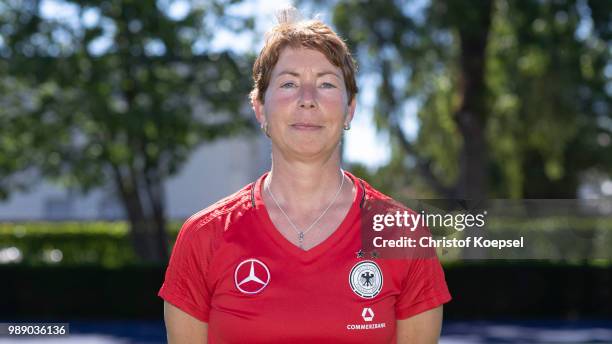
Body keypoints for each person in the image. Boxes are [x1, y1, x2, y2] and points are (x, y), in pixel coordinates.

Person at [159, 8, 451, 343]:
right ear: (259, 108)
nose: (307, 100)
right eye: (289, 83)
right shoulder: (204, 236)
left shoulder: (404, 236)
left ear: (350, 109)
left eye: (326, 83)